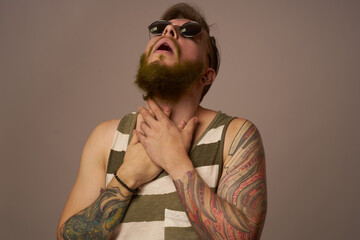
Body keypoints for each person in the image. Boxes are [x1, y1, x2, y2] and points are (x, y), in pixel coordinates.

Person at [57, 3, 267, 240]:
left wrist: (175, 160)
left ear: (206, 75)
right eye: (161, 29)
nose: (168, 32)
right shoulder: (104, 139)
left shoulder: (235, 136)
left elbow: (243, 236)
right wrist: (128, 176)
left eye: (190, 32)